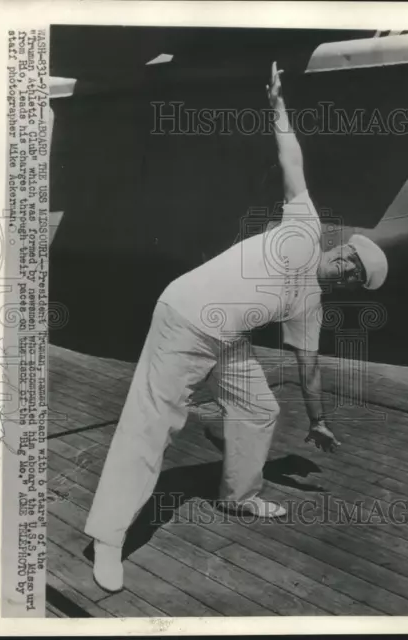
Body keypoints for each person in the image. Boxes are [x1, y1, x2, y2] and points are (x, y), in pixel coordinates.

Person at [85, 62, 388, 592]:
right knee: (152, 425)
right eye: (348, 261)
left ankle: (239, 494)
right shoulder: (304, 226)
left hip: (226, 338)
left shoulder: (311, 303)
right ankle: (108, 539)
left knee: (260, 407)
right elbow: (291, 158)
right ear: (338, 248)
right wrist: (276, 105)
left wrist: (316, 423)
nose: (344, 272)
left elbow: (308, 369)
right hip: (184, 318)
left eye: (354, 277)